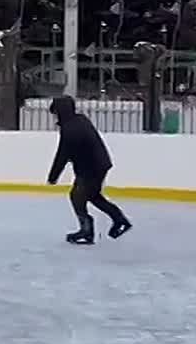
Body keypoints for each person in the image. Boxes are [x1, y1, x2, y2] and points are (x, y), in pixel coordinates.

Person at [47, 95, 132, 245]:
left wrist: (53, 177)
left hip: (90, 168)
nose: (55, 117)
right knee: (92, 195)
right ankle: (119, 220)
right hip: (98, 164)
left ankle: (87, 230)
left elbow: (63, 154)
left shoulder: (70, 129)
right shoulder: (80, 119)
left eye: (56, 113)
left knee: (77, 196)